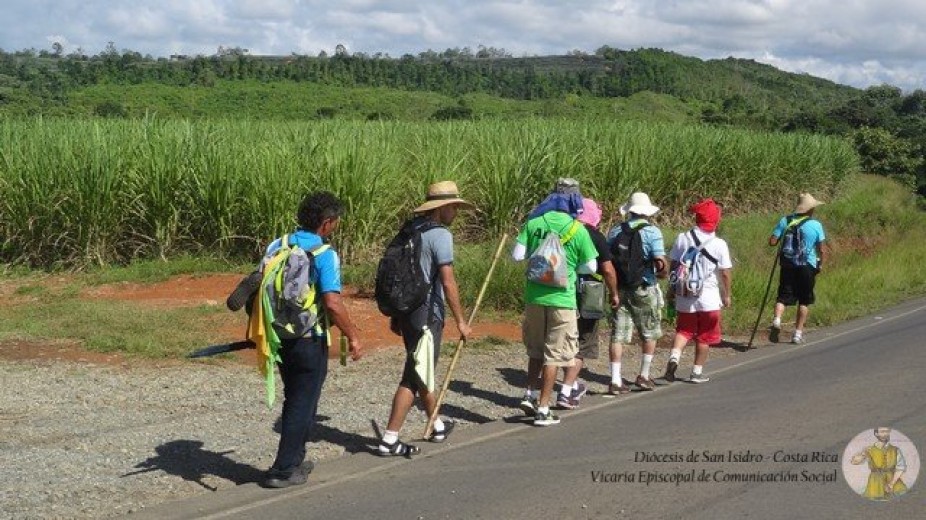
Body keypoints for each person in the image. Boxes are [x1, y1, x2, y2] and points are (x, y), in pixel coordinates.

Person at [261, 191, 363, 488]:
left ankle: (294, 460)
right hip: (309, 339)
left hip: (278, 336)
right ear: (327, 223)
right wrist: (353, 336)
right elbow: (332, 303)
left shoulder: (277, 245)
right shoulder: (324, 254)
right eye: (336, 221)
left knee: (294, 396)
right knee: (302, 403)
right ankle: (282, 470)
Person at [378, 181, 473, 456]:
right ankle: (389, 438)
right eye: (454, 207)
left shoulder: (411, 229)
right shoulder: (441, 235)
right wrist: (461, 321)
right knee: (414, 373)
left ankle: (437, 425)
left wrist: (397, 314)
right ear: (442, 208)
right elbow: (448, 281)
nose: (456, 212)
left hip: (408, 311)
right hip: (427, 314)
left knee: (422, 369)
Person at [513, 187, 598, 426]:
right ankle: (543, 408)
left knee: (536, 350)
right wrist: (570, 269)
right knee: (554, 354)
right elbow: (591, 267)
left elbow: (517, 255)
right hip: (563, 299)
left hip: (534, 298)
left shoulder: (534, 223)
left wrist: (538, 253)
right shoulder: (577, 229)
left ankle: (529, 394)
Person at [556, 197, 619, 409]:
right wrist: (614, 294)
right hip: (589, 296)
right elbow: (608, 270)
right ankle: (567, 390)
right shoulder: (595, 236)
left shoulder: (563, 231)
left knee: (565, 341)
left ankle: (570, 384)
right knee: (583, 343)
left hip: (561, 293)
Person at [663, 198, 732, 384]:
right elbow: (725, 273)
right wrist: (727, 294)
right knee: (705, 336)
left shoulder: (682, 238)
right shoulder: (719, 244)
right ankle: (696, 372)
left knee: (684, 330)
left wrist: (671, 289)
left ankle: (675, 357)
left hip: (685, 294)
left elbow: (674, 266)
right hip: (709, 296)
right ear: (715, 220)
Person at [605, 192, 667, 395]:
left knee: (618, 334)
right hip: (644, 286)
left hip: (620, 288)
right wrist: (664, 272)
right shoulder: (652, 232)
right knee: (649, 331)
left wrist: (612, 290)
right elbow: (660, 262)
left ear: (629, 211)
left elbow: (607, 261)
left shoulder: (615, 231)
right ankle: (644, 375)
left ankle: (615, 379)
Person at [768, 193, 827, 344]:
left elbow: (772, 242)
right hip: (807, 266)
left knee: (783, 296)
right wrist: (820, 264)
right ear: (810, 209)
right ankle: (797, 334)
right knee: (804, 300)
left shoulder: (785, 220)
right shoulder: (816, 225)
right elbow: (821, 249)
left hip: (788, 264)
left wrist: (780, 238)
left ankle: (777, 319)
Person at [850, 427, 909, 500]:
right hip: (875, 482)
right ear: (876, 434)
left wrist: (891, 484)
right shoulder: (869, 449)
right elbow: (854, 462)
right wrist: (862, 454)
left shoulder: (895, 449)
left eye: (887, 432)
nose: (885, 434)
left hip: (893, 480)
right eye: (882, 432)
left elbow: (901, 467)